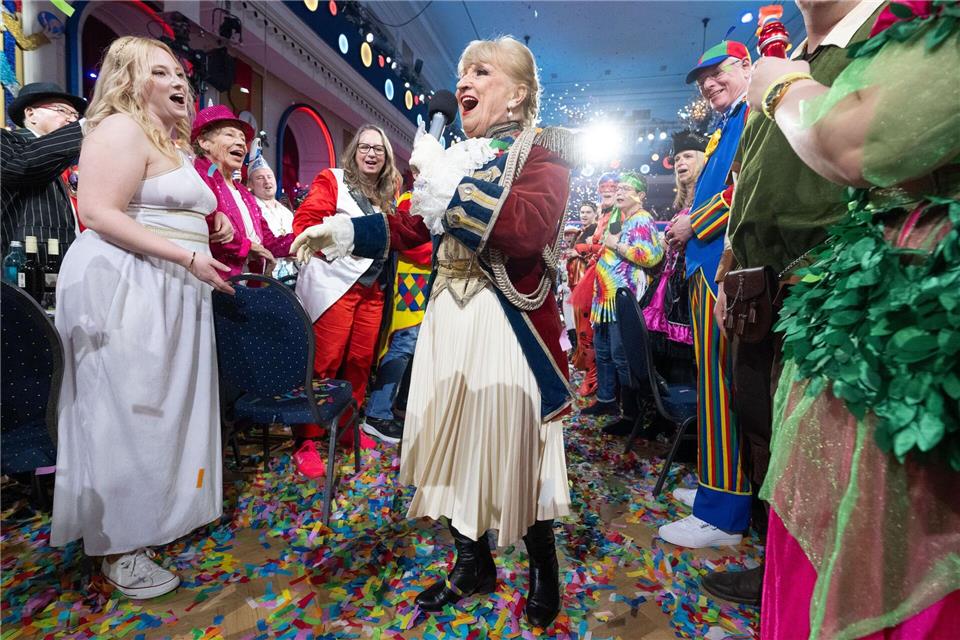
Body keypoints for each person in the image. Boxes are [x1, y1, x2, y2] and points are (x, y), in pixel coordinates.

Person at [292, 36, 575, 629]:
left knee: (512, 449)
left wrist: (448, 190)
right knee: (446, 441)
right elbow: (405, 227)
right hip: (448, 318)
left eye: (481, 71)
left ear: (518, 95)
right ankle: (471, 564)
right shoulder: (451, 161)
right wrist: (341, 234)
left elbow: (525, 230)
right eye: (461, 71)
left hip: (505, 322)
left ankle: (542, 572)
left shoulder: (544, 160)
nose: (464, 82)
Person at [742, 3, 960, 637]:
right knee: (810, 487)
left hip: (905, 309)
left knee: (893, 531)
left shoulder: (864, 39)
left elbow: (858, 143)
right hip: (844, 299)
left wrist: (781, 86)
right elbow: (754, 185)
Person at [703, 0, 886, 606]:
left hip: (831, 294)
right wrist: (731, 266)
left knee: (824, 452)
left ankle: (828, 582)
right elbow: (750, 179)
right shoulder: (780, 66)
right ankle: (777, 563)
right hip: (758, 289)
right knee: (763, 431)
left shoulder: (886, 34)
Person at [50, 36, 234, 600]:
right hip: (130, 285)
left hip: (171, 286)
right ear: (131, 80)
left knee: (159, 413)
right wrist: (187, 252)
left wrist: (212, 229)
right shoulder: (120, 127)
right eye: (161, 72)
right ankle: (117, 547)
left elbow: (159, 206)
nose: (179, 81)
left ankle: (150, 522)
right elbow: (99, 212)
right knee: (124, 412)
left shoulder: (167, 143)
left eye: (180, 72)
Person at [658, 40, 753, 549]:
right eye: (702, 80)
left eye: (718, 73)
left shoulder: (753, 115)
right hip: (708, 266)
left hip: (724, 268)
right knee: (713, 382)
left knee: (720, 386)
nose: (709, 84)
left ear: (745, 67)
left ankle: (722, 512)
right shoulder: (727, 124)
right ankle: (715, 491)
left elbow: (745, 188)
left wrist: (691, 222)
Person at [290, 125, 400, 473]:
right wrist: (336, 253)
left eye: (378, 150)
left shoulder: (389, 192)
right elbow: (305, 223)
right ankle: (306, 439)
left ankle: (349, 428)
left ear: (386, 158)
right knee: (324, 362)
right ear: (353, 152)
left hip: (372, 289)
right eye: (364, 147)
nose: (371, 154)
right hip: (335, 285)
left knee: (360, 361)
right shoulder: (333, 179)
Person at [583, 172, 664, 435]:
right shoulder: (618, 218)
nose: (619, 192)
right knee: (603, 353)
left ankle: (632, 414)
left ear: (640, 196)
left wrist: (616, 245)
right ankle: (607, 401)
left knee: (622, 356)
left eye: (626, 189)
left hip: (624, 300)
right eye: (618, 188)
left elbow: (651, 256)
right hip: (604, 298)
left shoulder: (642, 219)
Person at [362, 189, 432, 444]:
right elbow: (407, 243)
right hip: (411, 282)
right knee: (402, 344)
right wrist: (441, 248)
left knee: (416, 348)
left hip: (425, 282)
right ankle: (376, 414)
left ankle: (398, 405)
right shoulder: (410, 199)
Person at [192, 105, 292, 279]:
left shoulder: (244, 193)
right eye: (230, 135)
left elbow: (267, 242)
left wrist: (306, 238)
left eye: (242, 138)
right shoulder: (199, 175)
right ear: (204, 142)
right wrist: (247, 247)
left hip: (247, 284)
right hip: (214, 283)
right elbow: (211, 229)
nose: (241, 143)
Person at [641, 130, 705, 392]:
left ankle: (687, 420)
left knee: (685, 360)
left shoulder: (709, 195)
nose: (680, 163)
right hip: (670, 288)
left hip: (693, 288)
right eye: (677, 158)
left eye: (688, 156)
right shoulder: (683, 202)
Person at [1, 82, 86, 256]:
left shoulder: (65, 160)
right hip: (24, 261)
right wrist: (84, 126)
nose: (71, 119)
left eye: (75, 115)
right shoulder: (7, 141)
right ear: (31, 114)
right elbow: (23, 166)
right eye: (62, 110)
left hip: (65, 257)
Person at [570, 175, 619, 398]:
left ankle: (598, 382)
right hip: (593, 277)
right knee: (590, 332)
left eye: (612, 189)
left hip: (608, 280)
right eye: (603, 189)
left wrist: (584, 248)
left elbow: (613, 246)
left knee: (595, 333)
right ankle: (596, 380)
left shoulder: (621, 215)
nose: (606, 191)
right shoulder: (603, 217)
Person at [246, 152, 298, 280]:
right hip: (264, 276)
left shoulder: (286, 211)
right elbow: (266, 244)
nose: (267, 181)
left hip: (291, 275)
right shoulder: (251, 207)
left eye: (269, 176)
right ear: (250, 185)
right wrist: (299, 241)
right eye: (260, 178)